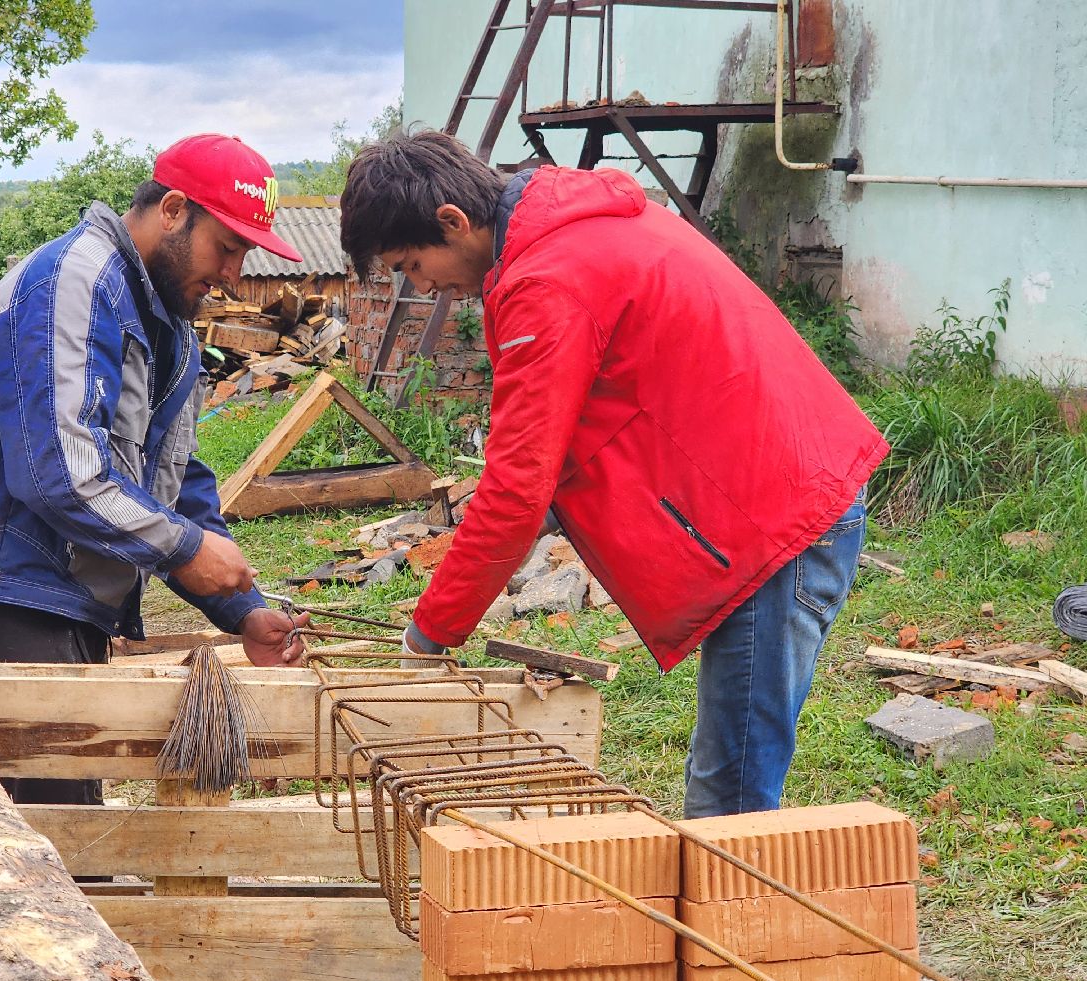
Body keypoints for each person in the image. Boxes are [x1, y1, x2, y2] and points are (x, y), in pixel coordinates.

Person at [339, 130, 888, 819]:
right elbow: (545, 458)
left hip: (780, 519)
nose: (422, 286)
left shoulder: (549, 277)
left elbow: (517, 488)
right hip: (775, 493)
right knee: (731, 774)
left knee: (732, 795)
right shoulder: (573, 232)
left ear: (452, 220)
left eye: (412, 263)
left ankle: (730, 923)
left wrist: (429, 634)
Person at [0, 133, 310, 808]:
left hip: (71, 606)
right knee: (49, 864)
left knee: (65, 850)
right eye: (227, 246)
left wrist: (242, 610)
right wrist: (189, 552)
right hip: (9, 600)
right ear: (173, 210)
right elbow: (61, 474)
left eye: (246, 253)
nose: (234, 273)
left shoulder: (172, 328)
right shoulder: (75, 283)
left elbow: (177, 478)